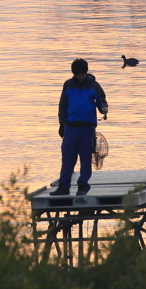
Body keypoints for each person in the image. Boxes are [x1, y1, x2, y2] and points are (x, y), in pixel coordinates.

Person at [52, 58, 108, 196]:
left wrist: (103, 108)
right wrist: (62, 123)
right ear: (74, 74)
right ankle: (64, 187)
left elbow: (101, 100)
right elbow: (62, 105)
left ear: (86, 72)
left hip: (87, 128)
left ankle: (83, 185)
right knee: (67, 158)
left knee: (85, 158)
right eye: (78, 74)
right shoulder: (68, 85)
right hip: (70, 127)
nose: (80, 77)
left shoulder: (94, 85)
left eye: (82, 74)